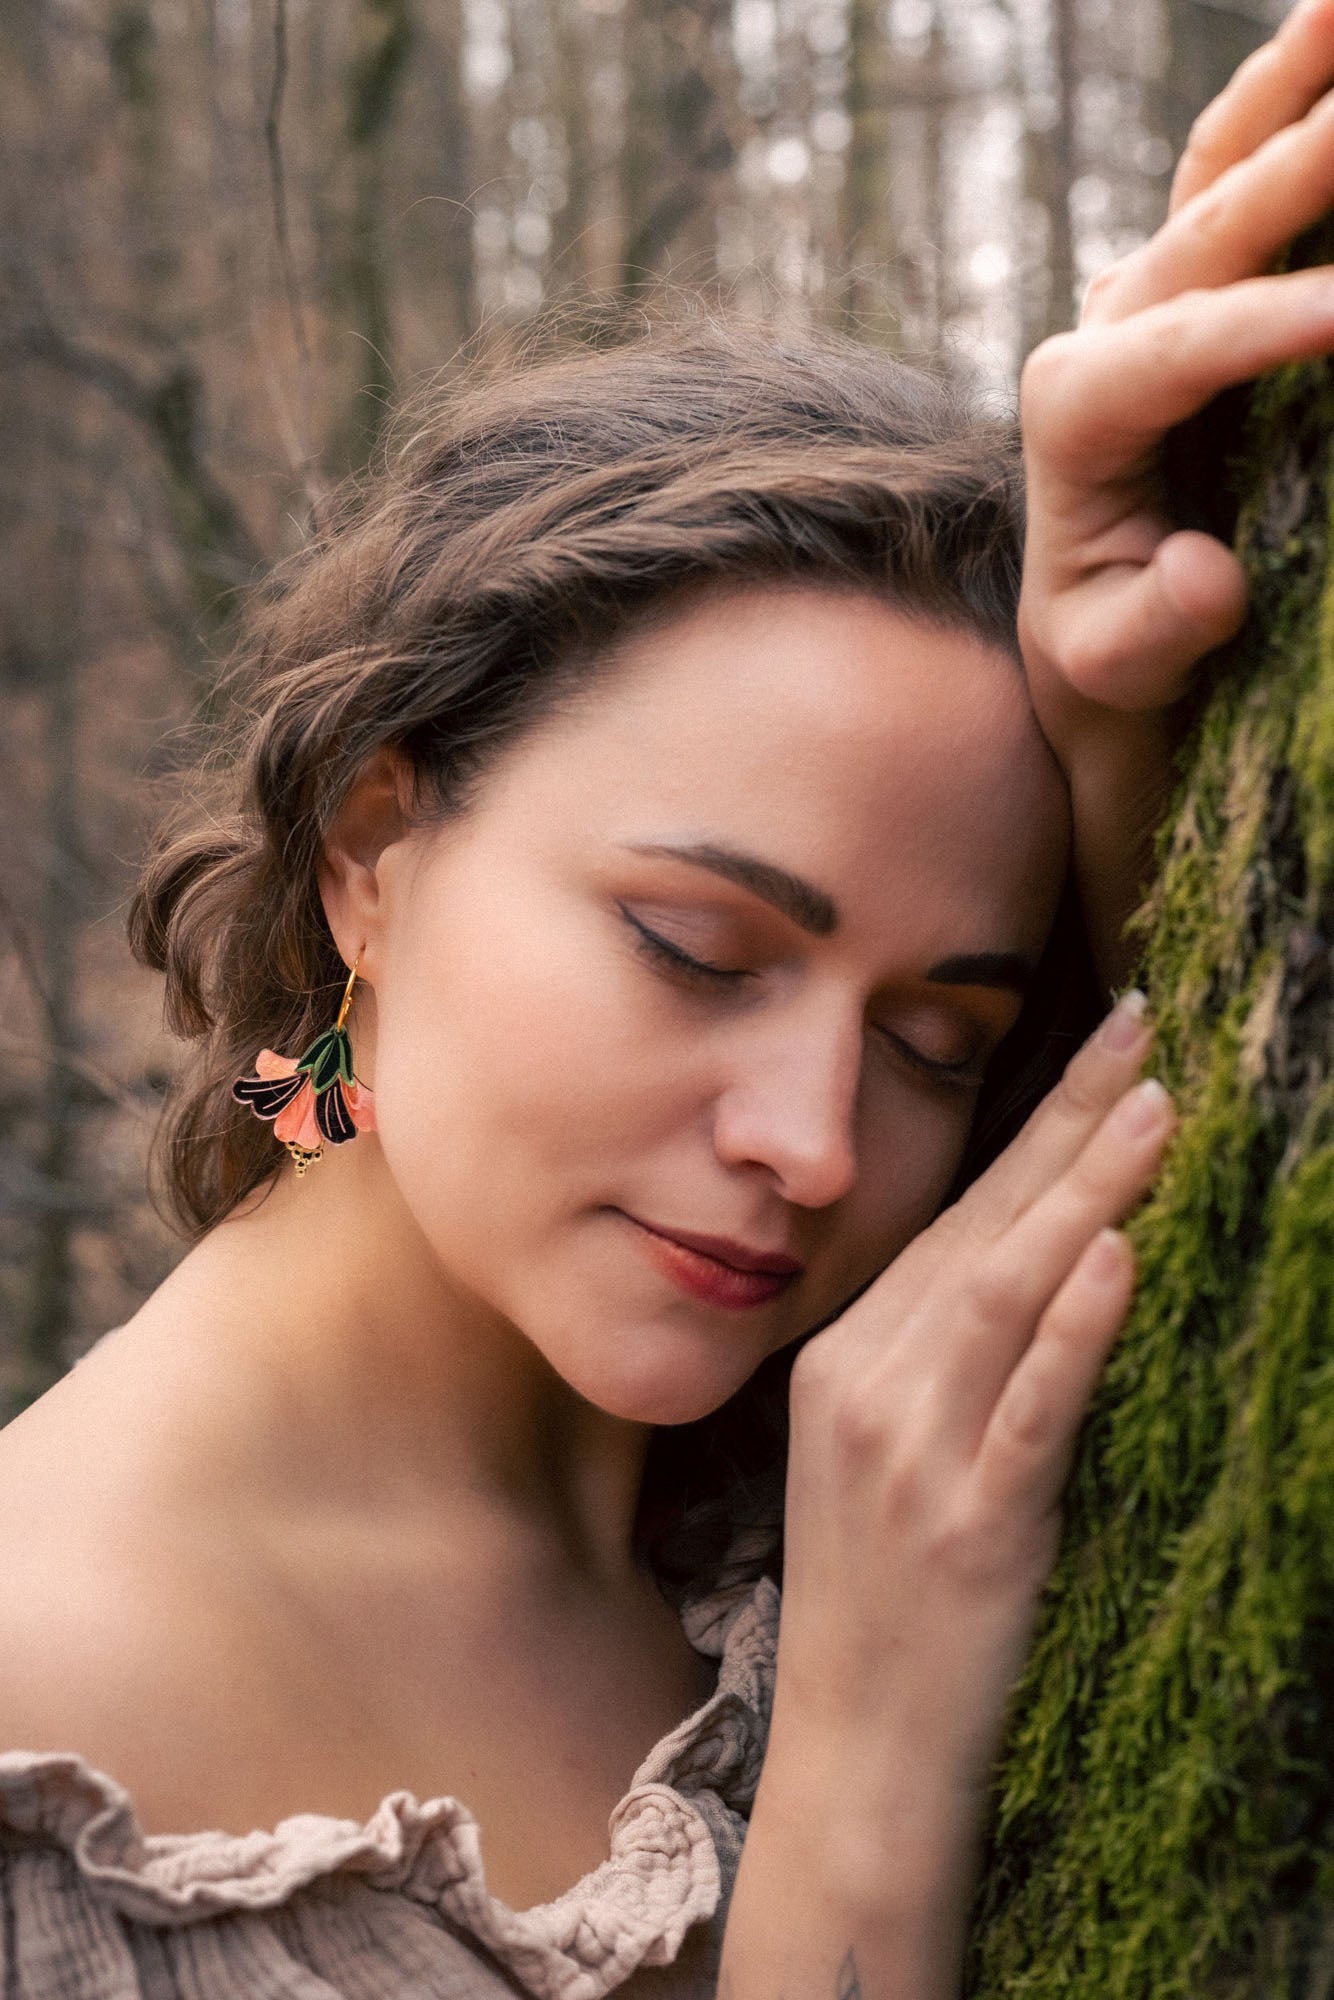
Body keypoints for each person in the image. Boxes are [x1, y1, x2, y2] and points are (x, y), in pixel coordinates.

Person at [2, 7, 1333, 1995]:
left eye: (932, 1042)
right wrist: (868, 1769)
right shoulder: (46, 1728)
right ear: (373, 848)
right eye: (696, 951)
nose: (809, 1142)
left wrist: (1130, 757)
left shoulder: (840, 1447)